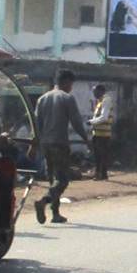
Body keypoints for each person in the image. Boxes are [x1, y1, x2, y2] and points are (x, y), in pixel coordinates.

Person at [34, 69, 90, 225]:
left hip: (45, 144)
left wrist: (35, 144)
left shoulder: (42, 99)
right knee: (63, 180)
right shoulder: (67, 98)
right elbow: (76, 122)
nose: (71, 87)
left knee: (53, 178)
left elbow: (36, 124)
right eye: (71, 84)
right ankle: (44, 200)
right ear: (66, 82)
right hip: (59, 143)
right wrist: (86, 139)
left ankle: (55, 213)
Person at [88, 84, 115, 181]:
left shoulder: (106, 100)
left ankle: (100, 174)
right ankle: (101, 174)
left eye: (95, 91)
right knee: (98, 155)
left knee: (101, 155)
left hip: (103, 134)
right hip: (98, 133)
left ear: (101, 91)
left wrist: (91, 122)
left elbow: (104, 117)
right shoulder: (100, 101)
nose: (94, 93)